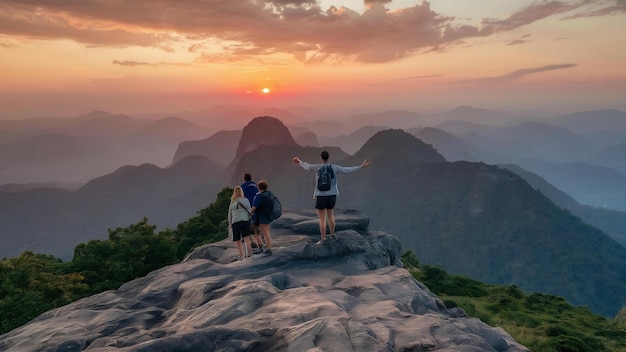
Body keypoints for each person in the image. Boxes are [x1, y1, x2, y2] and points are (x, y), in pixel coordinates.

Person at [293, 151, 371, 243]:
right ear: (328, 158)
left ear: (321, 158)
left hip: (320, 195)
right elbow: (347, 170)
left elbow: (307, 166)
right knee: (330, 216)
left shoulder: (317, 167)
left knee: (322, 219)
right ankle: (332, 234)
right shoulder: (335, 168)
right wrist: (361, 166)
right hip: (332, 195)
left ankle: (323, 239)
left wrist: (299, 161)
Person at [228, 186, 254, 260]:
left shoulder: (232, 202)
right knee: (246, 238)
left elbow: (229, 214)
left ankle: (242, 255)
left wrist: (230, 225)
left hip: (235, 222)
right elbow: (249, 210)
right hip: (245, 220)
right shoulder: (245, 200)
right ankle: (250, 254)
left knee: (238, 240)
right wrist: (249, 220)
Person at [251, 180, 274, 256]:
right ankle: (268, 247)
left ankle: (268, 249)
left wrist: (250, 212)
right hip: (268, 216)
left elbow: (254, 207)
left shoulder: (259, 196)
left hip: (261, 217)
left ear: (259, 187)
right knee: (267, 232)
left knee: (264, 233)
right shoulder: (269, 194)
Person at [241, 173, 264, 252]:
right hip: (256, 207)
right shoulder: (256, 186)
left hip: (248, 208)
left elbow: (241, 197)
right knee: (256, 225)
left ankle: (249, 241)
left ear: (244, 179)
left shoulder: (242, 187)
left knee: (246, 223)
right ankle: (261, 242)